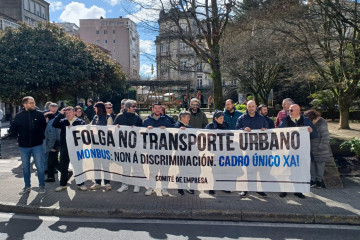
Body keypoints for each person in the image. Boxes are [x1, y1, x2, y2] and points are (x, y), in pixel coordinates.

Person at [278, 104, 318, 199]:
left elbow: (315, 135)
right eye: (289, 110)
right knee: (286, 171)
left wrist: (311, 131)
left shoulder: (306, 121)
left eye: (291, 110)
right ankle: (284, 190)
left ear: (298, 111)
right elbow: (278, 133)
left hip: (300, 153)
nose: (289, 112)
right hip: (287, 152)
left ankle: (298, 190)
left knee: (299, 172)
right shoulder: (285, 120)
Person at [9, 96, 47, 194]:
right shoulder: (19, 116)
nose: (33, 104)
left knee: (40, 166)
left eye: (33, 102)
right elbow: (12, 129)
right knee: (25, 167)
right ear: (24, 104)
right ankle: (27, 186)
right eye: (30, 103)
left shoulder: (39, 115)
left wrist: (39, 136)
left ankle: (42, 186)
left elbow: (44, 127)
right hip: (23, 146)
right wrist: (19, 137)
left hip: (37, 145)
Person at [235, 100, 268, 198]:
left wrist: (264, 129)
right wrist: (243, 129)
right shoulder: (241, 118)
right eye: (249, 106)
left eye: (253, 106)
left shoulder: (262, 118)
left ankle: (259, 189)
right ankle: (245, 189)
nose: (251, 108)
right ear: (247, 107)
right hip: (247, 149)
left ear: (256, 106)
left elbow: (267, 128)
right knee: (247, 170)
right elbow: (236, 130)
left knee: (259, 170)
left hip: (259, 149)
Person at [52, 106, 87, 192]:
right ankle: (63, 184)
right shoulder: (63, 121)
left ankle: (80, 184)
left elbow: (84, 133)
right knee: (64, 166)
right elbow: (54, 124)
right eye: (66, 113)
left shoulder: (80, 122)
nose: (68, 114)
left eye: (70, 112)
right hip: (65, 147)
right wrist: (60, 114)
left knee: (78, 166)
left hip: (77, 147)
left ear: (74, 113)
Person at [142, 102, 173, 196]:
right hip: (152, 150)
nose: (157, 110)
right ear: (152, 109)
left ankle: (164, 188)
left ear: (161, 109)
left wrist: (167, 129)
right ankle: (151, 187)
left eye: (159, 108)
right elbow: (141, 135)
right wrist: (146, 129)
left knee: (164, 170)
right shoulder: (147, 121)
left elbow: (174, 131)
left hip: (165, 150)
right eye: (155, 108)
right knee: (152, 170)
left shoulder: (168, 120)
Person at [114, 100, 143, 193]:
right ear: (128, 108)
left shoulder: (137, 118)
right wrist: (116, 127)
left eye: (135, 106)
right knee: (125, 167)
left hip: (135, 146)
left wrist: (137, 130)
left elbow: (142, 132)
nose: (135, 108)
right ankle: (125, 184)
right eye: (133, 106)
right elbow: (113, 130)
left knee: (136, 166)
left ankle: (137, 184)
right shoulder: (119, 117)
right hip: (124, 146)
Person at [304, 109, 330, 189]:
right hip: (312, 149)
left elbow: (325, 136)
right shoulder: (311, 124)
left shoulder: (321, 123)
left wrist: (321, 147)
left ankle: (318, 182)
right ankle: (313, 181)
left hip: (320, 150)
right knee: (312, 166)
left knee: (319, 166)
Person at [205, 110, 229, 195]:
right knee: (212, 171)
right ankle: (211, 187)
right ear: (215, 118)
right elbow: (205, 139)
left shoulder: (225, 125)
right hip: (212, 152)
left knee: (223, 170)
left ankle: (222, 186)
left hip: (222, 152)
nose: (222, 120)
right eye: (220, 118)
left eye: (223, 118)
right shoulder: (209, 126)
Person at [89, 102, 112, 191]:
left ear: (99, 108)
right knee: (96, 165)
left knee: (105, 165)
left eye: (95, 108)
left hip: (104, 145)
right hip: (95, 145)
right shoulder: (95, 117)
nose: (94, 109)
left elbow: (110, 131)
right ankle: (97, 183)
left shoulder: (108, 117)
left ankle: (107, 183)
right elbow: (89, 126)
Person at [174, 110, 194, 195]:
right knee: (182, 171)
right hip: (180, 153)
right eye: (187, 117)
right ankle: (180, 188)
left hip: (187, 153)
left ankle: (185, 186)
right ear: (182, 117)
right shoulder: (176, 126)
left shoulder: (188, 127)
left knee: (187, 170)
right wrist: (178, 130)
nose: (189, 119)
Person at [44, 112, 60, 182]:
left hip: (53, 145)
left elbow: (52, 136)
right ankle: (50, 177)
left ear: (47, 118)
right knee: (51, 161)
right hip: (55, 144)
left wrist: (50, 147)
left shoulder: (50, 124)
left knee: (53, 161)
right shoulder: (54, 122)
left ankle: (66, 172)